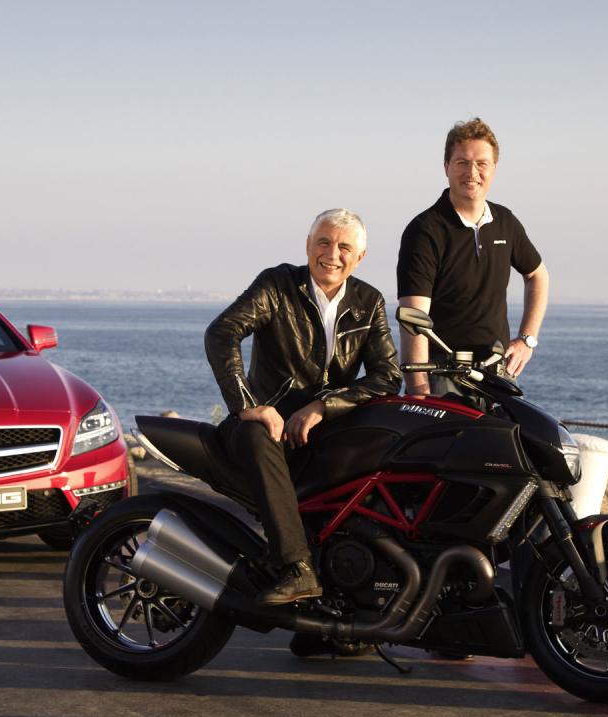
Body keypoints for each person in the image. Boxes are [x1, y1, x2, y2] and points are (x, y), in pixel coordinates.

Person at [205, 208, 401, 605]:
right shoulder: (278, 285)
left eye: (344, 247)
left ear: (359, 257)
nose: (332, 254)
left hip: (325, 429)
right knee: (257, 434)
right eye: (323, 242)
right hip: (269, 428)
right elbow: (222, 332)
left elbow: (387, 375)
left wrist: (324, 406)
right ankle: (297, 567)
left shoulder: (368, 301)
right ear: (308, 246)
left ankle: (354, 595)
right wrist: (248, 405)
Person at [397, 118, 549, 397]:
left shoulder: (506, 222)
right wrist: (418, 389)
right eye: (462, 163)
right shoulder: (424, 230)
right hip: (441, 377)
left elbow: (537, 275)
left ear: (494, 168)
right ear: (446, 167)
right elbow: (414, 318)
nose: (472, 172)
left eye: (482, 163)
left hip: (497, 374)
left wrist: (527, 340)